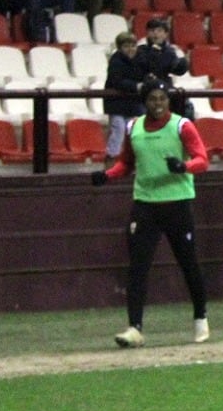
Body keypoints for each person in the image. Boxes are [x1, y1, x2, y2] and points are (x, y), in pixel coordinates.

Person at [90, 78, 211, 348]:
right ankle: (135, 328)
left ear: (168, 100)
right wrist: (107, 176)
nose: (158, 104)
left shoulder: (182, 125)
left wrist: (183, 167)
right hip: (145, 204)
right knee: (138, 268)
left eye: (162, 99)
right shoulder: (133, 127)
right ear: (144, 102)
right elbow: (126, 163)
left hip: (177, 202)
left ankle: (200, 318)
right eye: (153, 99)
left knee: (188, 263)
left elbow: (202, 160)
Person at [103, 30, 146, 160]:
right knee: (118, 129)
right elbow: (117, 81)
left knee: (134, 131)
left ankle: (133, 159)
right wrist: (135, 86)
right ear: (120, 47)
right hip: (116, 104)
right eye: (126, 46)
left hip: (133, 103)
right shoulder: (115, 61)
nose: (130, 49)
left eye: (132, 46)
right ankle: (112, 157)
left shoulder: (140, 59)